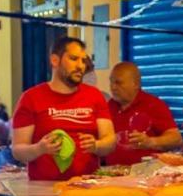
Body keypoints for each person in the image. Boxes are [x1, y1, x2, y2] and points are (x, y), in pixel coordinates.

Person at [11, 37, 115, 180]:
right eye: (73, 59)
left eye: (83, 60)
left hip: (87, 187)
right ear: (55, 60)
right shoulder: (31, 98)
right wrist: (40, 148)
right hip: (44, 191)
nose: (80, 66)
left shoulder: (95, 96)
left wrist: (97, 145)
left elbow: (110, 140)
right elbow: (17, 150)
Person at [105, 61, 183, 166]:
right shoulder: (108, 106)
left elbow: (176, 139)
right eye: (111, 82)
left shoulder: (153, 105)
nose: (113, 87)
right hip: (112, 174)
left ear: (136, 84)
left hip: (145, 175)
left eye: (118, 83)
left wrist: (150, 142)